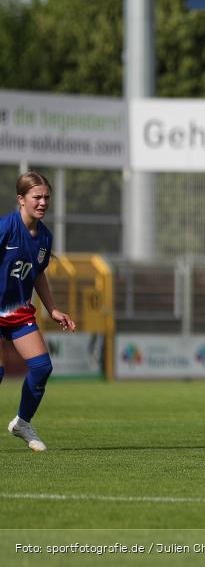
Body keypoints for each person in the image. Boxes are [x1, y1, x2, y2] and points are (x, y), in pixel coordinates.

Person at [1, 172, 76, 452]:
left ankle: (22, 422)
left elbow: (38, 274)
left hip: (19, 313)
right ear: (21, 199)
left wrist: (53, 309)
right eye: (37, 197)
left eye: (46, 197)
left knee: (42, 367)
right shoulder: (5, 229)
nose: (43, 202)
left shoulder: (45, 237)